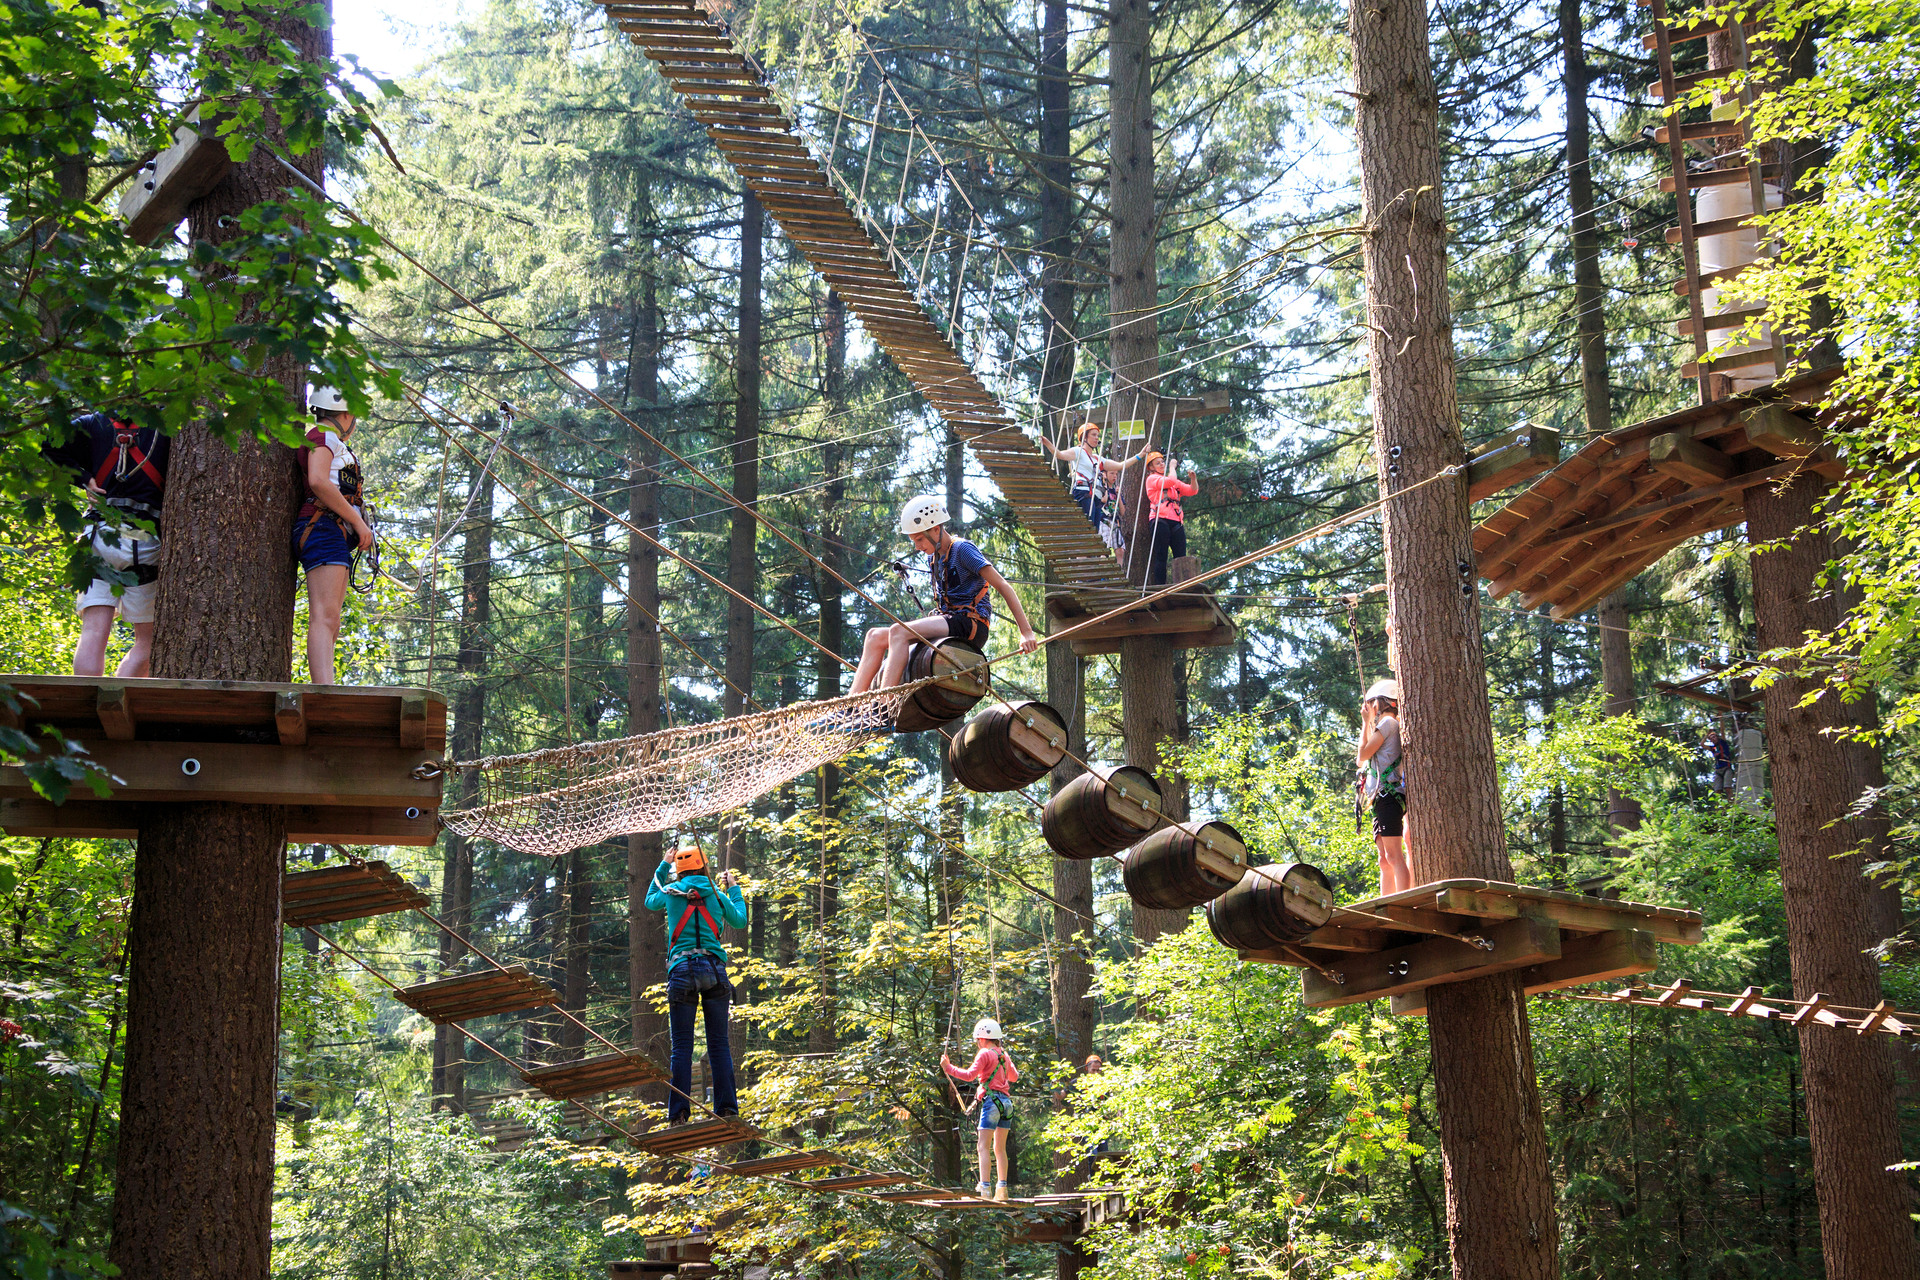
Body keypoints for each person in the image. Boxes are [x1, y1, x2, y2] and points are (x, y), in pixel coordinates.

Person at [849, 496, 1037, 694]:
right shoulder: (935, 557)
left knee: (899, 632)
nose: (917, 547)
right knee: (874, 636)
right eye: (914, 541)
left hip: (970, 623)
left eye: (920, 539)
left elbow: (1003, 585)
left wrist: (1026, 632)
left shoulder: (962, 549)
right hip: (950, 620)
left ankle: (885, 708)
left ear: (936, 529)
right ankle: (851, 707)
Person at [42, 412, 170, 677]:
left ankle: (88, 706)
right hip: (144, 543)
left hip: (98, 537)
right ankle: (116, 700)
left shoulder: (92, 422)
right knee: (147, 643)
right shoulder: (167, 425)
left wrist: (84, 478)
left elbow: (49, 444)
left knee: (93, 633)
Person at [644, 837, 748, 1125]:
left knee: (681, 1047)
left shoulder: (670, 891)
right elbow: (739, 920)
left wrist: (664, 865)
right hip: (714, 972)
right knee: (719, 1044)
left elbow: (649, 899)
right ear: (704, 867)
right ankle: (727, 1109)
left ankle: (678, 1114)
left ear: (680, 871)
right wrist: (734, 888)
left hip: (682, 971)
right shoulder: (717, 894)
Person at [294, 386, 376, 685]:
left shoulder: (330, 440)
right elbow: (318, 481)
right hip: (323, 528)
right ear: (344, 413)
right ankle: (323, 690)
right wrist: (357, 520)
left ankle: (325, 686)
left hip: (331, 531)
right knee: (325, 616)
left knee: (332, 619)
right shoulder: (322, 437)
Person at [942, 1016, 1019, 1200]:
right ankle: (1002, 1189)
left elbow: (969, 1075)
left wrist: (948, 1067)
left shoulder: (985, 1053)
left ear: (983, 1038)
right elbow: (1014, 1077)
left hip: (991, 1102)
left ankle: (984, 1188)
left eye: (978, 1039)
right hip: (1006, 1104)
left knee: (982, 1146)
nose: (977, 1042)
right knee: (999, 1149)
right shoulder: (1003, 1055)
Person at [1356, 678, 1410, 895]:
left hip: (1388, 797)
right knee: (1384, 860)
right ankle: (1386, 900)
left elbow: (1362, 754)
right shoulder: (1385, 726)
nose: (1370, 708)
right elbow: (1361, 761)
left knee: (1394, 856)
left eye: (1372, 703)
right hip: (1381, 798)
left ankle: (1402, 899)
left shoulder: (1389, 724)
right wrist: (1368, 723)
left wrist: (1364, 722)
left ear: (1382, 703)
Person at [1041, 421, 1138, 533]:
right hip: (1083, 493)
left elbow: (1120, 465)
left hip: (1096, 498)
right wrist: (1047, 443)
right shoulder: (1078, 451)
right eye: (1093, 435)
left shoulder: (1097, 458)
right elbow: (1059, 454)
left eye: (1098, 435)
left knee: (1094, 531)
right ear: (1084, 437)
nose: (1097, 438)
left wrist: (1140, 455)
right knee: (1087, 529)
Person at [1141, 452, 1199, 587]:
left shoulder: (1172, 481)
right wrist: (1172, 466)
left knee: (1181, 557)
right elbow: (1171, 481)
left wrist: (1193, 479)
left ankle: (1183, 586)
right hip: (1159, 520)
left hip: (1176, 521)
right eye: (1158, 463)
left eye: (1162, 462)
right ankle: (1160, 587)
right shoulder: (1152, 479)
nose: (1162, 464)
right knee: (1161, 555)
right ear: (1151, 468)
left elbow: (1192, 490)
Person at [1702, 727, 1734, 798]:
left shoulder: (1722, 742)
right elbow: (1702, 744)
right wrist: (1707, 735)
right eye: (1711, 738)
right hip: (1718, 769)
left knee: (1727, 787)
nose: (1713, 739)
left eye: (1714, 737)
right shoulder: (1713, 748)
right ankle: (1721, 808)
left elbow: (1722, 730)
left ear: (1717, 737)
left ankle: (1732, 804)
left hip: (1726, 767)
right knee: (1717, 791)